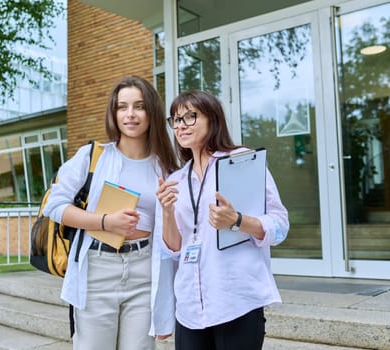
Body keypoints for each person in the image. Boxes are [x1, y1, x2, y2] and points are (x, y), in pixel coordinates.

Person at [42, 75, 179, 350]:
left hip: (145, 269)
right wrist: (106, 222)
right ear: (113, 113)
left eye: (139, 106)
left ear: (151, 111)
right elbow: (54, 206)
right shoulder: (92, 156)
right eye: (122, 107)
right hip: (97, 268)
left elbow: (174, 237)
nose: (130, 114)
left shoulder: (166, 167)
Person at [156, 90, 289, 350]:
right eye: (175, 120)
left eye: (189, 117)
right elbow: (173, 250)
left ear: (213, 119)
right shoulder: (175, 181)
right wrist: (167, 212)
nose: (180, 125)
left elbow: (280, 225)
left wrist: (238, 220)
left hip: (236, 300)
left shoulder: (241, 161)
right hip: (189, 307)